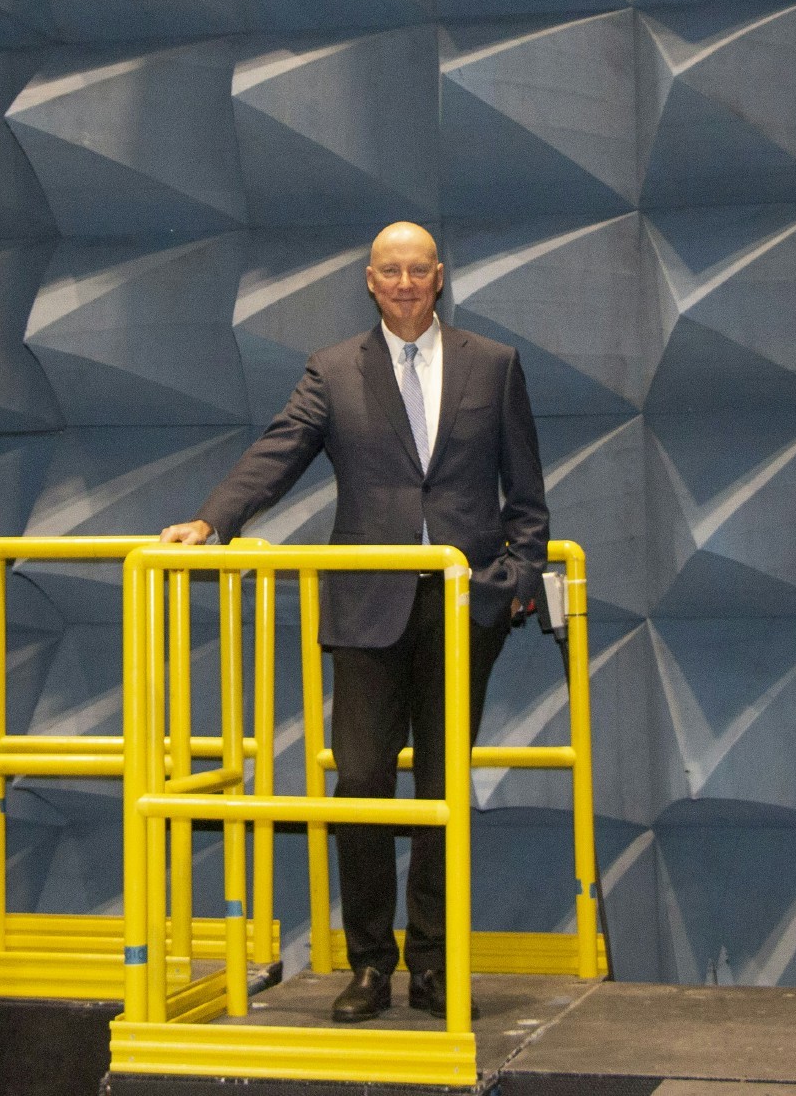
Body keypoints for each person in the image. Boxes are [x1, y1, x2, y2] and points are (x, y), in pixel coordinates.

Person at [161, 222, 548, 1022]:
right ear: (370, 282)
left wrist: (514, 580)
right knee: (363, 782)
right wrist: (212, 520)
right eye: (390, 271)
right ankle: (370, 962)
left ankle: (436, 966)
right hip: (367, 609)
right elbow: (280, 449)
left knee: (444, 788)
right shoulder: (333, 370)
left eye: (418, 269)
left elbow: (528, 497)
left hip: (461, 608)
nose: (405, 283)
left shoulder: (495, 365)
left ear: (439, 277)